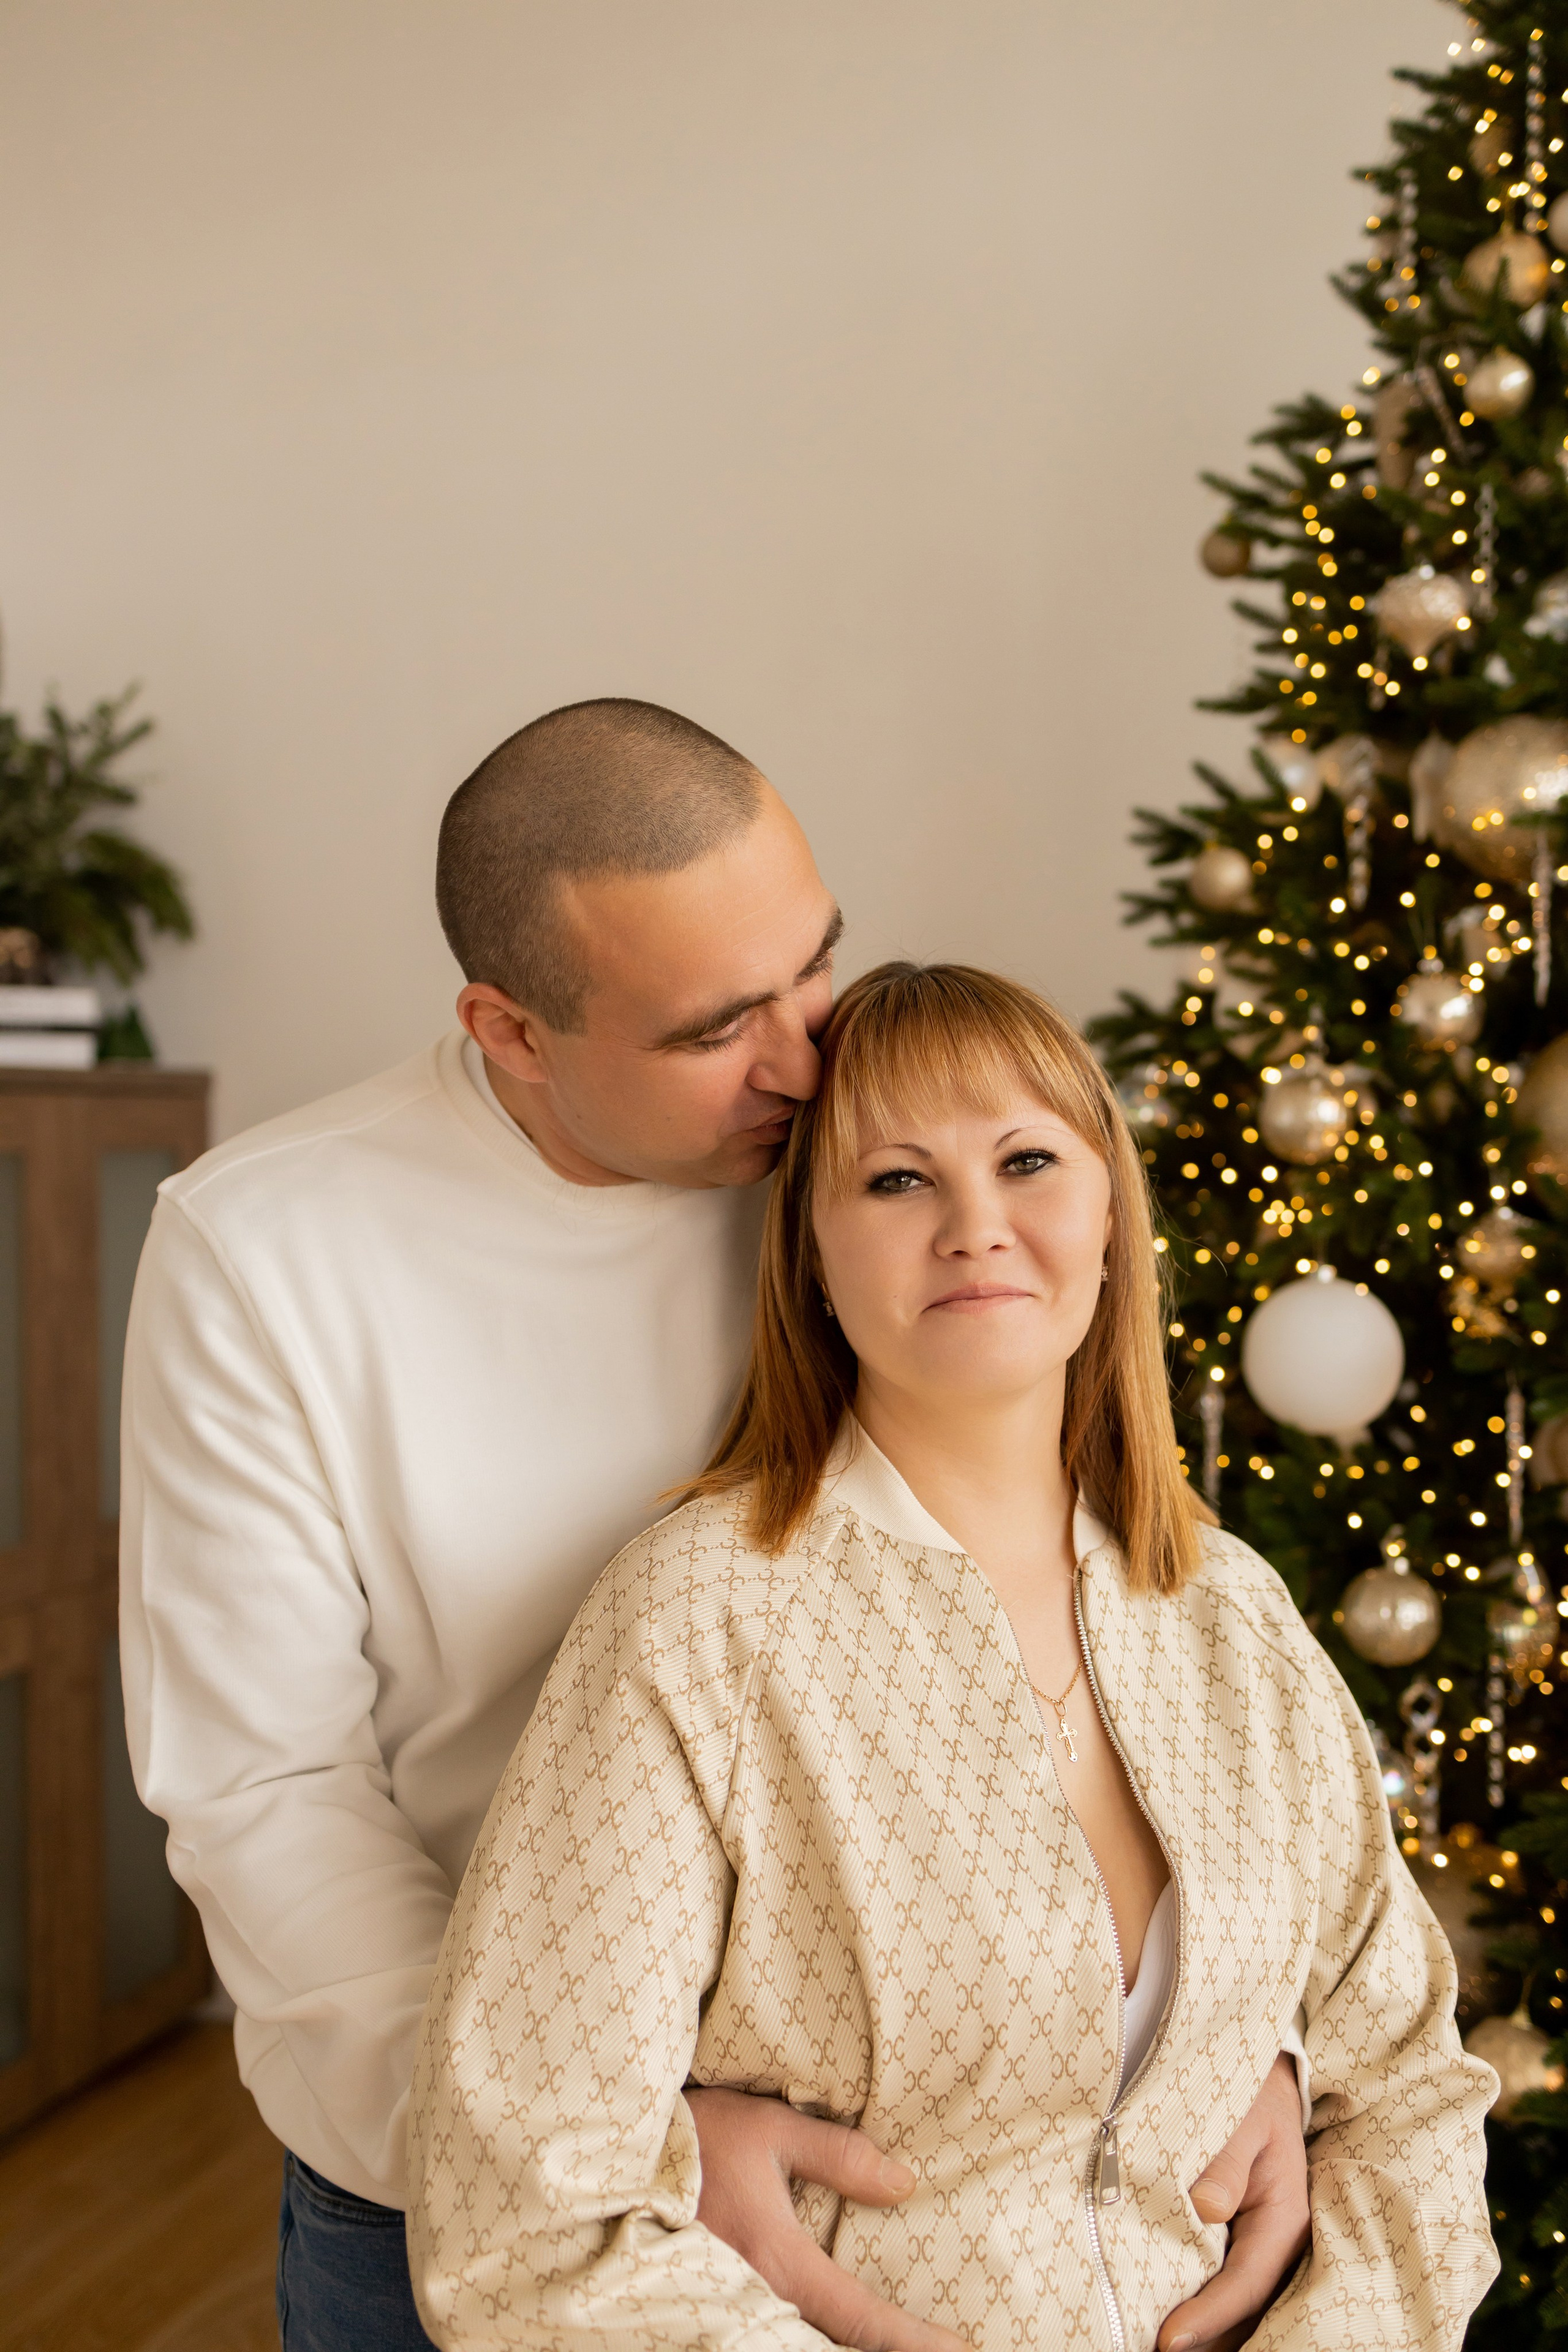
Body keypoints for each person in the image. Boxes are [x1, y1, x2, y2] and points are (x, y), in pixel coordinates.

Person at [123, 706, 1308, 2352]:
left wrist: (1215, 2033)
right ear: (512, 1029)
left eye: (813, 968)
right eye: (716, 1027)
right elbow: (269, 1790)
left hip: (916, 2158)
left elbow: (1099, 1602)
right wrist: (606, 2150)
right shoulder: (269, 1252)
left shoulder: (864, 1164)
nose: (810, 1059)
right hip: (467, 2178)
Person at [410, 960, 1498, 2352]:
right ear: (808, 1248)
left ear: (1109, 1218)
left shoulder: (1230, 1615)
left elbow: (1402, 2090)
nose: (975, 1226)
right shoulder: (696, 1625)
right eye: (895, 1181)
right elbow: (523, 2230)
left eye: (1028, 1161)